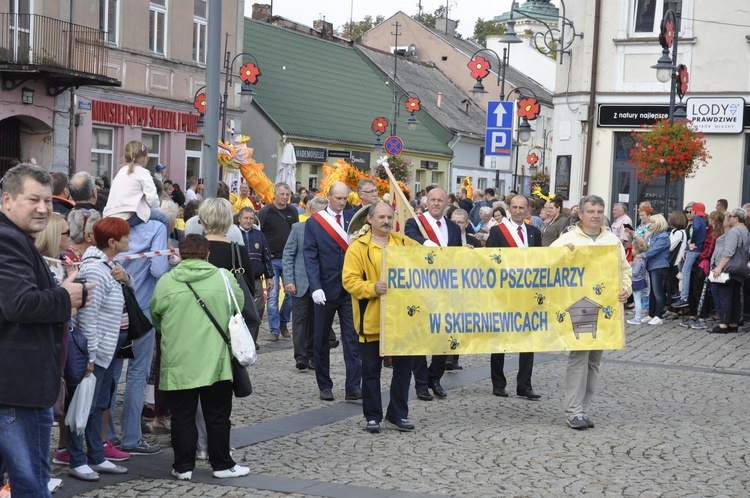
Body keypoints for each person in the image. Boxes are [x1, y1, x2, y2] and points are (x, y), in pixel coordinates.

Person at [0, 163, 93, 497]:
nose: (42, 208)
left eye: (47, 201)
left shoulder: (17, 238)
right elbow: (19, 304)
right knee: (31, 486)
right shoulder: (7, 239)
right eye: (32, 200)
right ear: (7, 200)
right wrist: (64, 296)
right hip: (17, 390)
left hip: (16, 387)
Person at [150, 234, 250, 480]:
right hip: (216, 360)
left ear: (180, 255)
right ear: (207, 255)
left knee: (182, 416)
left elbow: (156, 316)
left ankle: (183, 466)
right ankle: (221, 464)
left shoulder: (166, 282)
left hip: (179, 360)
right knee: (217, 414)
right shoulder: (223, 278)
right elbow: (238, 306)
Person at [551, 195, 632, 430]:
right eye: (590, 211)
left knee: (594, 361)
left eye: (599, 211)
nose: (595, 215)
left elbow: (624, 270)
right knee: (579, 358)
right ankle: (573, 411)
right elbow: (546, 264)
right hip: (579, 307)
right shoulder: (568, 238)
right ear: (581, 214)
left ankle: (583, 408)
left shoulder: (612, 240)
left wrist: (625, 289)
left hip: (605, 308)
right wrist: (563, 254)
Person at [343, 202, 420, 433]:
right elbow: (349, 280)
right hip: (372, 320)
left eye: (389, 217)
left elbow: (431, 257)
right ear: (370, 219)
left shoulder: (403, 242)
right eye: (381, 217)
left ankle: (397, 414)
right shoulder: (358, 248)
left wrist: (460, 252)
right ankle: (373, 416)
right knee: (371, 371)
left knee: (404, 370)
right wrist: (372, 288)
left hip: (402, 321)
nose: (386, 221)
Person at [66, 217, 132, 482]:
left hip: (108, 348)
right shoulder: (95, 269)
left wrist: (125, 278)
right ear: (113, 242)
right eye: (125, 237)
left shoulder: (109, 266)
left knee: (99, 404)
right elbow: (88, 317)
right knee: (84, 404)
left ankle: (95, 455)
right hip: (98, 350)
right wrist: (90, 356)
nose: (130, 240)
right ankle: (77, 459)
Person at [109, 206, 170, 456]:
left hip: (114, 309)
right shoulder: (157, 227)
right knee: (137, 374)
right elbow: (157, 269)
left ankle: (107, 437)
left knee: (110, 374)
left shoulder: (112, 225)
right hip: (142, 308)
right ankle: (132, 438)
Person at [304, 181, 362, 401]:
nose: (342, 202)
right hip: (325, 290)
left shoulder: (353, 219)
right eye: (338, 198)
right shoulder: (315, 223)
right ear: (328, 196)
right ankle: (324, 385)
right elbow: (310, 257)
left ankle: (353, 386)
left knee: (352, 339)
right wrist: (315, 287)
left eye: (345, 198)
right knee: (321, 340)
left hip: (348, 288)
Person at [405, 187, 462, 401]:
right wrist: (427, 243)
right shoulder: (415, 224)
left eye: (441, 200)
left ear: (447, 203)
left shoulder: (453, 229)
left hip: (446, 290)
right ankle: (420, 383)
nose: (437, 203)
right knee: (420, 337)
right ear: (426, 202)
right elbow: (410, 238)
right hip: (421, 289)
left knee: (442, 336)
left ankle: (434, 378)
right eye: (433, 200)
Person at [485, 193, 542, 399]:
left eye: (522, 208)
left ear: (528, 210)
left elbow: (539, 261)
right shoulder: (497, 231)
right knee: (500, 339)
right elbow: (489, 261)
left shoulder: (535, 232)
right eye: (515, 207)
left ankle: (524, 385)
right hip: (503, 293)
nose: (518, 211)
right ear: (509, 209)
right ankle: (498, 383)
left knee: (528, 340)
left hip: (527, 294)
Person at [283, 196, 329, 371]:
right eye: (323, 211)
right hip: (301, 283)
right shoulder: (298, 228)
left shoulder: (329, 231)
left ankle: (312, 355)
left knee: (316, 321)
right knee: (300, 320)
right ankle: (300, 356)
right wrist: (289, 280)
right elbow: (288, 255)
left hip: (321, 285)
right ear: (313, 211)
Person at [258, 182, 299, 341]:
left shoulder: (292, 211)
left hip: (289, 259)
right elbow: (260, 234)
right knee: (273, 295)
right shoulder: (265, 211)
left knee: (290, 294)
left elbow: (295, 232)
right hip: (272, 260)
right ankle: (274, 330)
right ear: (275, 194)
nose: (285, 197)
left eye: (287, 194)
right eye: (282, 194)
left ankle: (283, 322)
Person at [103, 141, 170, 228]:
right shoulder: (143, 173)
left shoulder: (121, 171)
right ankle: (165, 241)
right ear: (145, 159)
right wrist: (156, 210)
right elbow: (152, 197)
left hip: (111, 214)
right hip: (129, 216)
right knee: (166, 220)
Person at [710, 208, 750, 333]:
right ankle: (733, 324)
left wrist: (719, 267)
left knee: (725, 296)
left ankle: (723, 324)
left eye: (730, 216)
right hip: (740, 268)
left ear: (736, 218)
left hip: (730, 267)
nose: (728, 218)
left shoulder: (734, 231)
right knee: (735, 297)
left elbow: (729, 251)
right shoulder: (746, 231)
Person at [237, 206, 273, 343]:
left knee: (258, 308)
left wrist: (269, 277)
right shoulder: (233, 234)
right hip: (239, 279)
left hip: (256, 279)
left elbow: (267, 256)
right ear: (239, 219)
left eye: (251, 218)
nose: (248, 221)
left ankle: (252, 341)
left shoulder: (259, 235)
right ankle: (240, 339)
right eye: (245, 218)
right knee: (240, 309)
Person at [638, 214, 671, 325]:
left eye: (652, 222)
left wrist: (642, 255)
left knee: (658, 292)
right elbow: (646, 246)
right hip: (652, 266)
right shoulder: (652, 235)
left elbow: (654, 250)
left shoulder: (663, 236)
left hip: (659, 266)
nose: (650, 224)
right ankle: (651, 314)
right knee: (652, 292)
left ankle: (658, 315)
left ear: (659, 223)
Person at [673, 202, 707, 308]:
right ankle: (683, 294)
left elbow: (696, 229)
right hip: (695, 249)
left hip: (694, 249)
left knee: (685, 271)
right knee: (683, 268)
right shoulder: (702, 220)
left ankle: (684, 296)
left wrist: (692, 241)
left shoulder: (697, 219)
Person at [627, 240, 649, 325]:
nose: (631, 250)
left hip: (637, 282)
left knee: (637, 300)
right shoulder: (642, 260)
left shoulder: (638, 261)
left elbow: (635, 273)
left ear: (637, 250)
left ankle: (637, 318)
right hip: (641, 281)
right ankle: (638, 317)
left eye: (632, 249)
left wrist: (630, 267)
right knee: (639, 299)